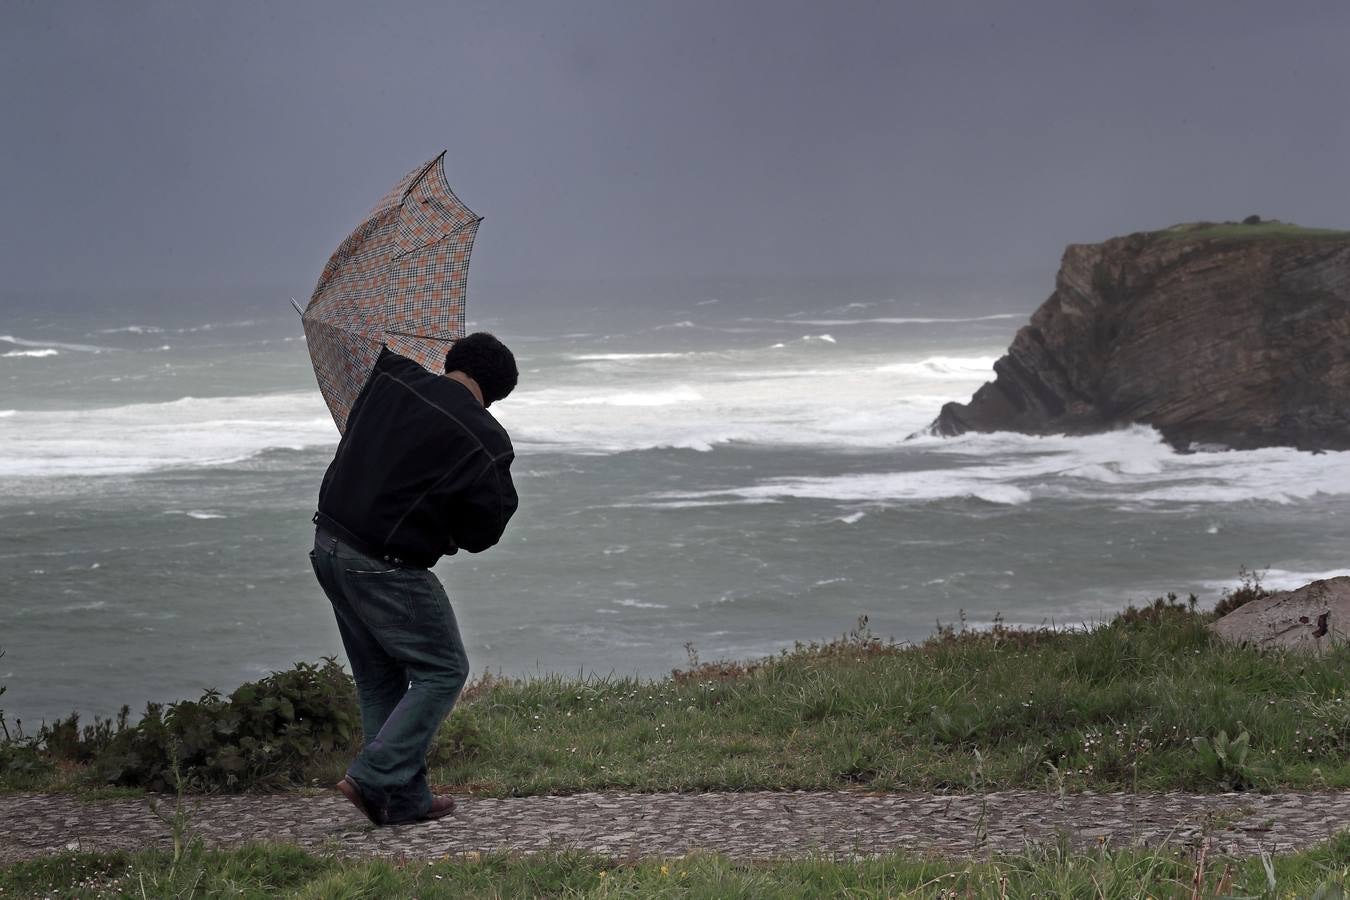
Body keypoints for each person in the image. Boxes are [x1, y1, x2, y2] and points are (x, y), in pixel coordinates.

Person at [308, 332, 519, 826]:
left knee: (381, 679)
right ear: (498, 391)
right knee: (443, 669)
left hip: (328, 546)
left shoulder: (390, 377)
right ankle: (372, 776)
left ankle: (402, 801)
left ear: (451, 360)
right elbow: (483, 530)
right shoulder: (484, 438)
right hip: (384, 563)